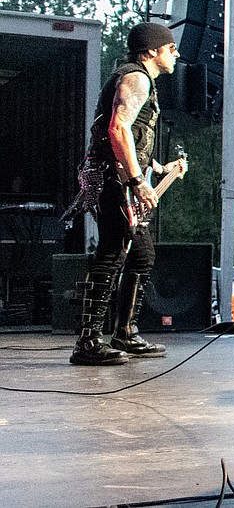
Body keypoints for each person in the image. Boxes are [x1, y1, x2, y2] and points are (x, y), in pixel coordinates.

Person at [68, 22, 187, 366]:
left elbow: (131, 136)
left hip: (120, 177)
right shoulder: (136, 77)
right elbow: (117, 128)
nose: (175, 54)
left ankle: (125, 332)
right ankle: (88, 341)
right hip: (114, 180)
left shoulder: (140, 79)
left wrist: (159, 168)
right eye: (170, 48)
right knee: (112, 253)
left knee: (141, 254)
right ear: (152, 51)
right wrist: (137, 180)